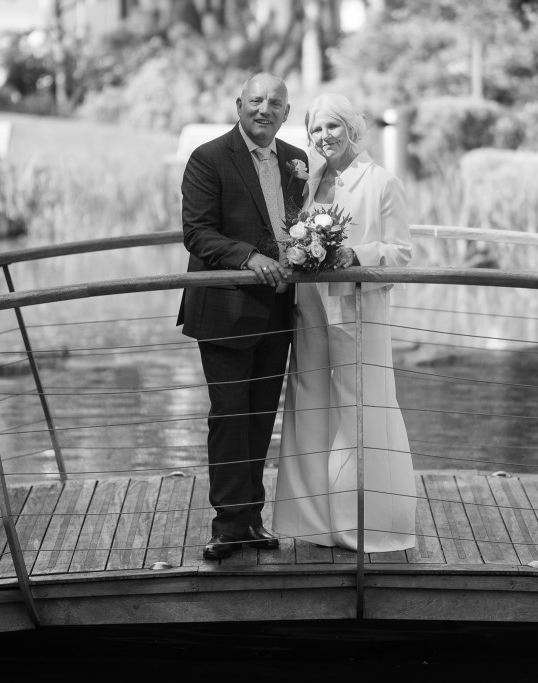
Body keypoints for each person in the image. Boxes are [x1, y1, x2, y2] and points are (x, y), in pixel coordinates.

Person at [273, 93, 416, 553]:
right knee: (309, 406)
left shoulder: (383, 183)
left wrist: (355, 254)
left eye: (333, 127)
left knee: (364, 409)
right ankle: (311, 521)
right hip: (311, 312)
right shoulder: (309, 182)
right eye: (315, 129)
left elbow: (402, 255)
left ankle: (372, 523)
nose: (323, 137)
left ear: (352, 128)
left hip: (358, 313)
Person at [177, 73, 309, 559]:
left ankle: (252, 519)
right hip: (226, 311)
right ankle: (228, 525)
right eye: (256, 100)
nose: (264, 109)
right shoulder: (209, 158)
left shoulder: (297, 160)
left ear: (286, 112)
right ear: (239, 104)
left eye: (275, 103)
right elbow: (197, 233)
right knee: (230, 418)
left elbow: (301, 225)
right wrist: (249, 257)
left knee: (260, 419)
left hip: (278, 310)